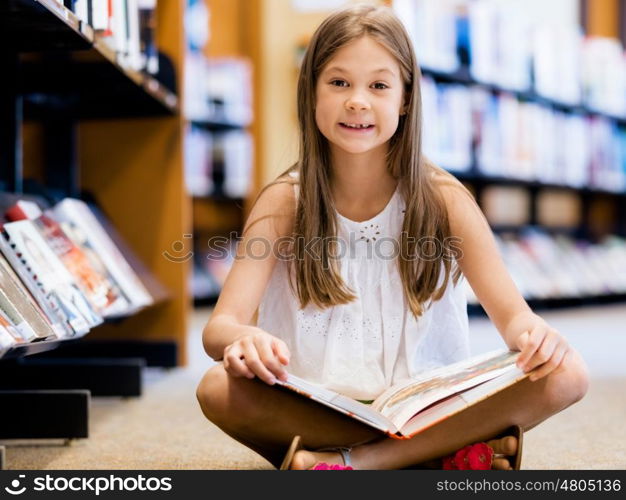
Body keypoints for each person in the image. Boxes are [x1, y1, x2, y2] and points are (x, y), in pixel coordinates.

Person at [196, 4, 589, 470]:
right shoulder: (285, 200)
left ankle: (354, 464)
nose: (357, 101)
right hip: (320, 402)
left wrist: (537, 336)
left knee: (568, 373)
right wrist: (242, 339)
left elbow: (516, 322)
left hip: (429, 404)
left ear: (405, 98)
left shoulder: (444, 198)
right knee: (216, 388)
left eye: (379, 85)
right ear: (312, 93)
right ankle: (434, 455)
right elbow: (219, 327)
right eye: (339, 82)